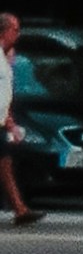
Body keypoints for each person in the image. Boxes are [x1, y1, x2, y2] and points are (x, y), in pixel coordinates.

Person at [0, 15, 33, 232]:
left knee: (5, 164)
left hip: (0, 122)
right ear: (5, 31)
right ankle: (20, 209)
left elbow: (4, 94)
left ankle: (21, 210)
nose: (18, 35)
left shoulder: (5, 58)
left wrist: (9, 120)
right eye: (16, 29)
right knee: (5, 165)